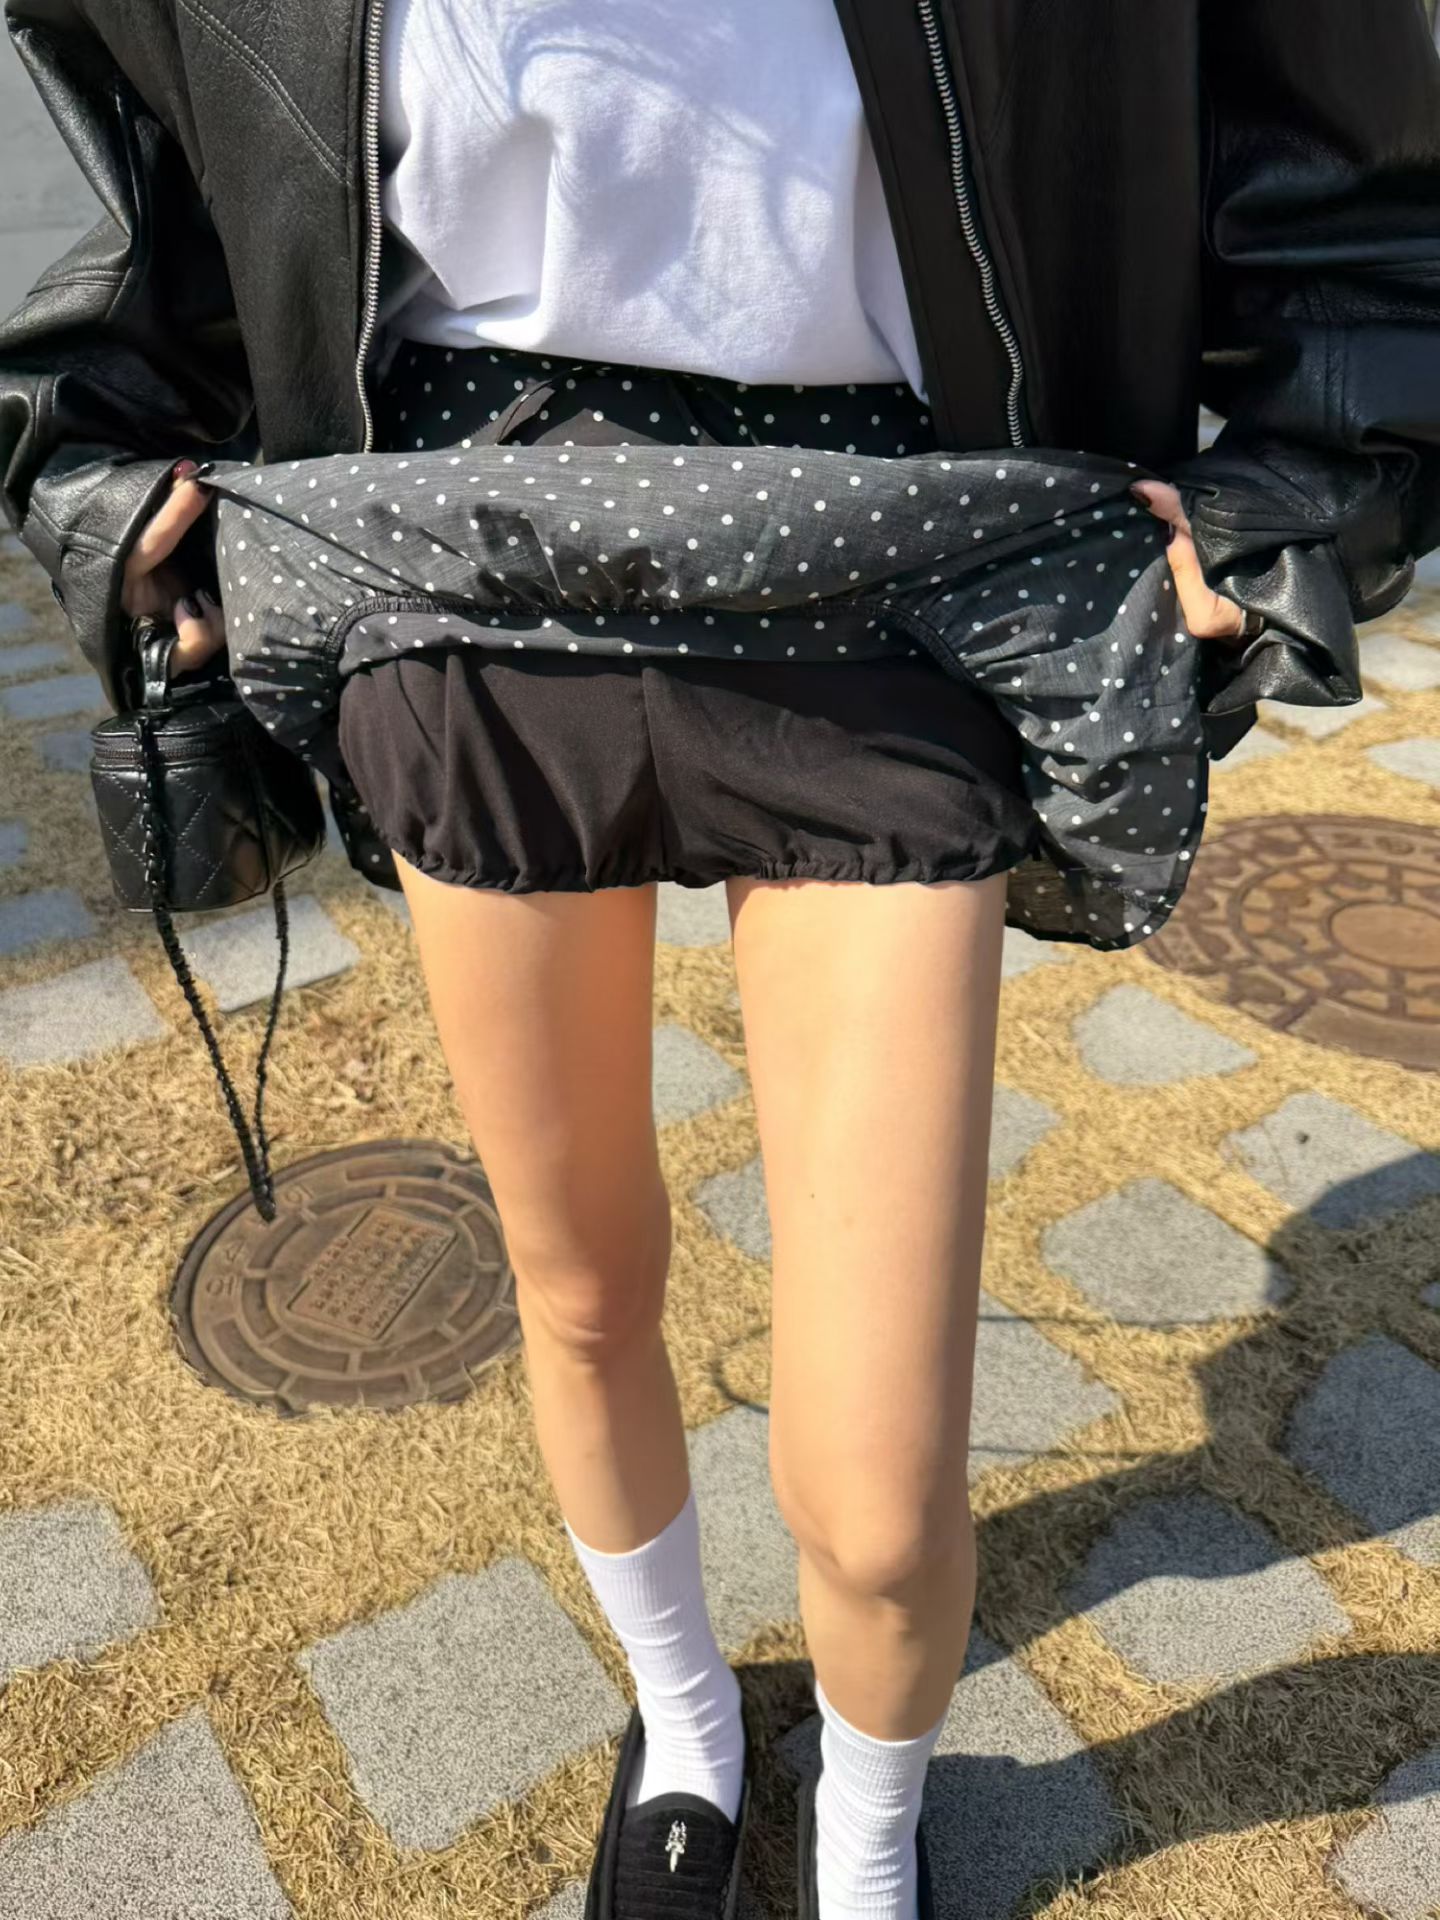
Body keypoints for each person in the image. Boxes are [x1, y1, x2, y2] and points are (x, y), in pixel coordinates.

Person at [2, 4, 1438, 1915]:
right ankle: (684, 1729)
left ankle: (866, 1827)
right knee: (580, 1286)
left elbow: (1345, 139)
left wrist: (1306, 479)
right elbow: (128, 132)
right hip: (449, 555)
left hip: (903, 556)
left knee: (881, 1481)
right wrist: (103, 471)